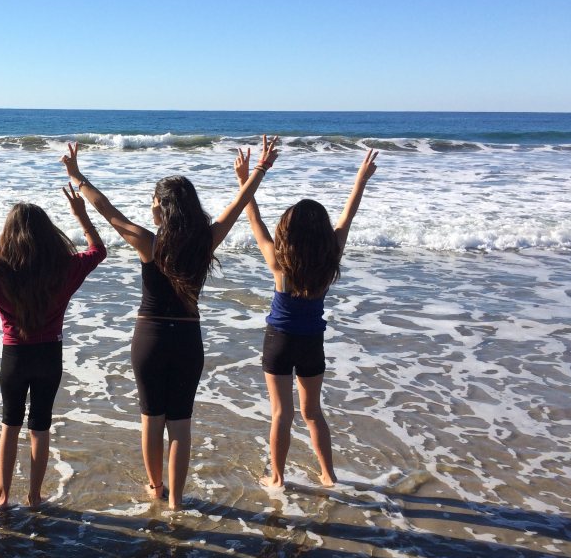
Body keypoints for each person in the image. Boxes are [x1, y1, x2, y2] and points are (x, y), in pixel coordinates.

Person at [61, 137, 278, 510]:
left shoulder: (148, 243)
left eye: (154, 200)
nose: (151, 206)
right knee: (180, 423)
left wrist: (77, 176)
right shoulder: (205, 242)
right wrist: (259, 169)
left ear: (163, 207)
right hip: (188, 340)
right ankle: (176, 500)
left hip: (151, 338)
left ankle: (155, 487)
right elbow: (238, 204)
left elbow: (107, 210)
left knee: (151, 417)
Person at [0, 189, 105, 509]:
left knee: (10, 424)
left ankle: (2, 495)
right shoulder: (65, 269)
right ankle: (35, 496)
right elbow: (98, 251)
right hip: (49, 356)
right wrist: (81, 215)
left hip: (15, 357)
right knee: (40, 425)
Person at [243, 148, 378, 489]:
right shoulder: (329, 259)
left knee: (281, 414)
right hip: (311, 343)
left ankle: (277, 477)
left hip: (279, 340)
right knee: (313, 412)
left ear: (287, 232)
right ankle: (328, 475)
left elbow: (255, 222)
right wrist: (360, 181)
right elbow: (347, 217)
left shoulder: (279, 263)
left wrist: (246, 179)